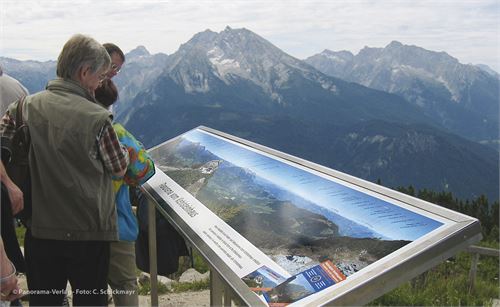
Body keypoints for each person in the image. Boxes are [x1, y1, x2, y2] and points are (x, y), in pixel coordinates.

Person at [0, 34, 130, 306]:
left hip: (40, 230)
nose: (101, 84)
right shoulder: (97, 117)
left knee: (46, 301)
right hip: (90, 234)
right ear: (84, 72)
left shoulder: (22, 108)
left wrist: (11, 186)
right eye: (101, 77)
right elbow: (118, 169)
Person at [95, 78, 155, 306]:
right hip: (115, 223)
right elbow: (144, 170)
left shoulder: (73, 126)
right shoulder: (116, 131)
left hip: (78, 225)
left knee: (90, 286)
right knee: (125, 286)